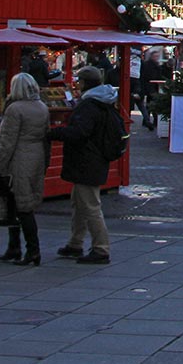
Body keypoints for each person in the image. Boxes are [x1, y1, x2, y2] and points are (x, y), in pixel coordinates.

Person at [49, 66, 124, 264]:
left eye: (79, 81)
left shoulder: (89, 105)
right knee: (80, 203)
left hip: (87, 161)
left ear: (84, 83)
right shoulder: (103, 101)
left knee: (90, 205)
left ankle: (101, 248)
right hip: (95, 159)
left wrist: (55, 133)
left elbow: (80, 132)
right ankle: (75, 243)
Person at [0, 72, 50, 266]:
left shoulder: (15, 109)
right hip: (36, 157)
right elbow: (46, 138)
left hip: (18, 159)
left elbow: (7, 142)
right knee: (21, 203)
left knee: (20, 206)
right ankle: (16, 247)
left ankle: (31, 250)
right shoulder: (42, 107)